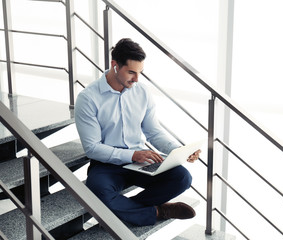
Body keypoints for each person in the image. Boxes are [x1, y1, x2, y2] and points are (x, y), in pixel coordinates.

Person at [74, 38, 201, 226]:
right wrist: (133, 155)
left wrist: (179, 150)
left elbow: (153, 132)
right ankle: (159, 210)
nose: (136, 79)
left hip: (141, 162)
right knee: (97, 191)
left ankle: (128, 210)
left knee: (182, 177)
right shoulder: (88, 98)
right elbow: (92, 148)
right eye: (131, 72)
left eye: (140, 72)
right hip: (107, 165)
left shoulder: (142, 91)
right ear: (115, 66)